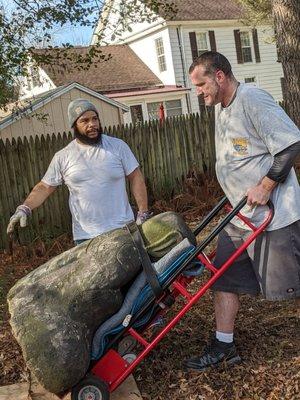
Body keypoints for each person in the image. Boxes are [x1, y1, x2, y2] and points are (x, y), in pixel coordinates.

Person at [185, 51, 300, 371]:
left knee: (289, 285)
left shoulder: (252, 98)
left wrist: (265, 186)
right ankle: (224, 345)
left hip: (274, 215)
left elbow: (291, 143)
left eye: (201, 84)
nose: (198, 92)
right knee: (224, 280)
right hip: (240, 217)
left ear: (219, 76)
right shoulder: (222, 107)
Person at [7, 99, 151, 244]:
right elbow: (44, 187)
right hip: (86, 236)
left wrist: (143, 212)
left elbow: (135, 177)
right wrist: (25, 208)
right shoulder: (63, 156)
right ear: (74, 125)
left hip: (123, 229)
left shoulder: (117, 147)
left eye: (95, 119)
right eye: (85, 120)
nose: (92, 124)